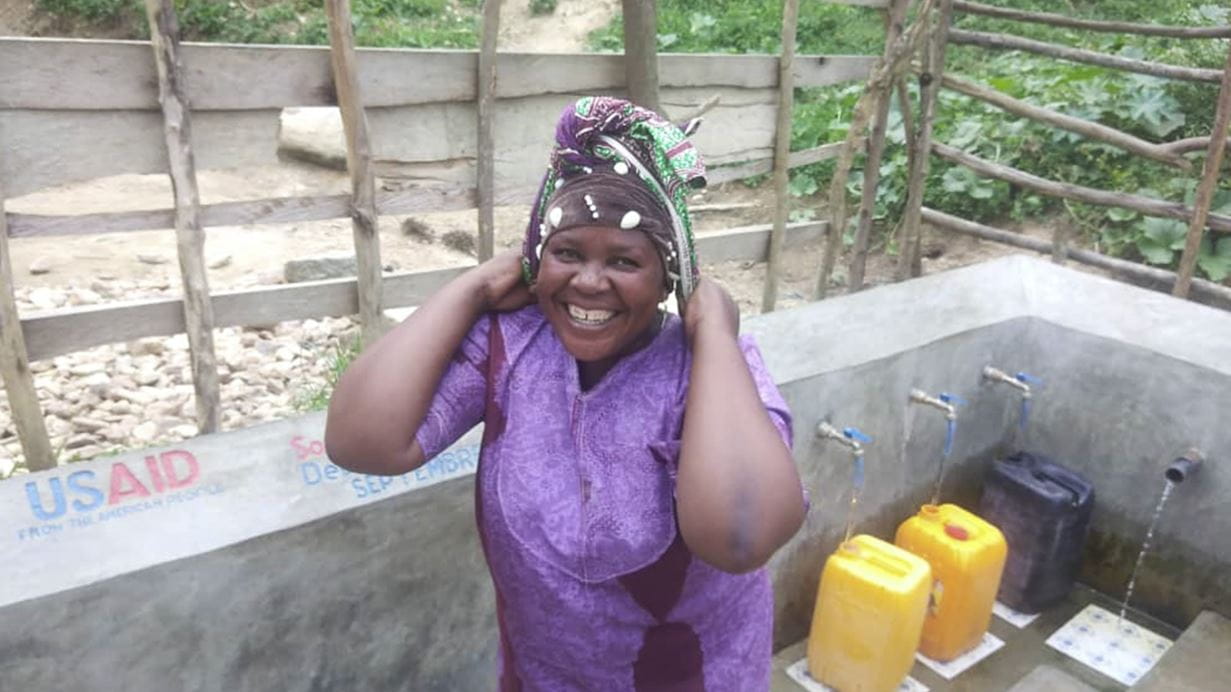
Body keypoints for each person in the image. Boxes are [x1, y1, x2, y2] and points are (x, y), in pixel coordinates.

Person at [325, 96, 806, 691]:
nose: (588, 282)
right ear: (535, 259)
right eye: (566, 252)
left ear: (669, 274)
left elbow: (740, 537)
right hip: (543, 675)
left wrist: (714, 337)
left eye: (625, 260)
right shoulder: (511, 346)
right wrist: (472, 289)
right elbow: (362, 443)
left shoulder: (709, 372)